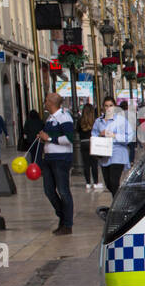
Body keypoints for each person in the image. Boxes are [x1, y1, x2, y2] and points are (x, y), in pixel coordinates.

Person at [33, 92, 75, 235]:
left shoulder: (64, 117)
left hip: (61, 159)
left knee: (63, 191)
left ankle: (67, 224)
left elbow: (70, 138)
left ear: (51, 102)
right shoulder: (50, 118)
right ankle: (62, 216)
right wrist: (42, 137)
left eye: (45, 101)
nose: (44, 103)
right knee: (49, 190)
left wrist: (50, 138)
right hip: (49, 158)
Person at [92, 95, 134, 198]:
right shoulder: (98, 121)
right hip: (104, 154)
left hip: (118, 153)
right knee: (108, 183)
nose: (108, 108)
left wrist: (113, 135)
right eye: (106, 106)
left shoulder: (120, 120)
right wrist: (100, 135)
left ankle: (118, 203)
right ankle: (119, 199)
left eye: (110, 105)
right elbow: (94, 135)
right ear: (103, 107)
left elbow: (129, 136)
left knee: (114, 181)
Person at [76, 102, 100, 191]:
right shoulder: (95, 120)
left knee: (86, 165)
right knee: (94, 164)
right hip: (93, 142)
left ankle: (88, 183)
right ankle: (96, 182)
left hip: (83, 143)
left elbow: (77, 130)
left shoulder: (80, 120)